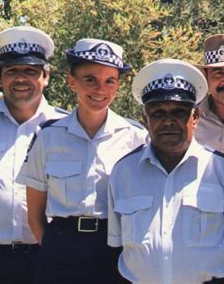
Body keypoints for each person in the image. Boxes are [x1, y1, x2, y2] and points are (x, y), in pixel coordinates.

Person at [107, 59, 224, 284]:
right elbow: (116, 244)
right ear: (145, 119)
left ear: (195, 117)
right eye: (157, 113)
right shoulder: (123, 172)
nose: (168, 121)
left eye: (179, 112)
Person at [17, 38, 147, 284]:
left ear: (118, 86)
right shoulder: (48, 137)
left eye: (110, 81)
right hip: (61, 251)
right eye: (90, 79)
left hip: (116, 248)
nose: (100, 89)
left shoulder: (136, 137)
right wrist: (55, 248)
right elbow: (34, 214)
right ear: (71, 81)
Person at [0, 26, 68, 284]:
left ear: (46, 76)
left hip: (47, 259)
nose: (21, 78)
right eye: (12, 71)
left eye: (30, 71)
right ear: (0, 77)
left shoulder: (68, 129)